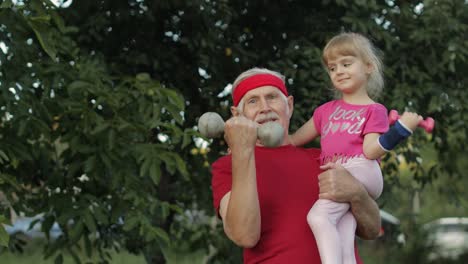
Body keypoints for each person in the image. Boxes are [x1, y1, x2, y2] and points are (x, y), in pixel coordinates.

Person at [210, 67, 381, 264]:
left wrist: (356, 193)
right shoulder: (228, 166)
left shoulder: (325, 159)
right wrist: (242, 151)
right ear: (237, 114)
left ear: (289, 106)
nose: (265, 107)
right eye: (253, 101)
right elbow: (244, 235)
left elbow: (372, 229)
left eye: (272, 97)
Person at [289, 32, 422, 264]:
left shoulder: (374, 110)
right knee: (343, 226)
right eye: (332, 68)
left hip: (362, 168)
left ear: (369, 67)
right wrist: (253, 139)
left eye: (346, 63)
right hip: (340, 174)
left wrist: (401, 129)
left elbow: (371, 151)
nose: (338, 71)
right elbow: (292, 140)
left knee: (319, 217)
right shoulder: (324, 112)